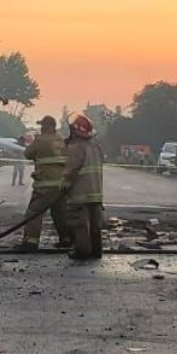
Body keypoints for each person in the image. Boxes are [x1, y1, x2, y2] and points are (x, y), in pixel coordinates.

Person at [15, 117, 73, 251]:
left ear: (49, 126)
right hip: (61, 186)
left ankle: (31, 242)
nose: (42, 128)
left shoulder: (40, 140)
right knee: (60, 213)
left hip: (45, 186)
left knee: (34, 212)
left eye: (43, 125)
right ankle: (66, 239)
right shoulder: (61, 140)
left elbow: (28, 154)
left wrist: (31, 144)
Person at [63, 112, 105, 261]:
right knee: (95, 226)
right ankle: (96, 251)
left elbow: (70, 170)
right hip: (96, 193)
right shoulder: (96, 148)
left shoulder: (76, 148)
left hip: (80, 194)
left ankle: (82, 251)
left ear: (75, 131)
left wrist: (64, 186)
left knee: (80, 224)